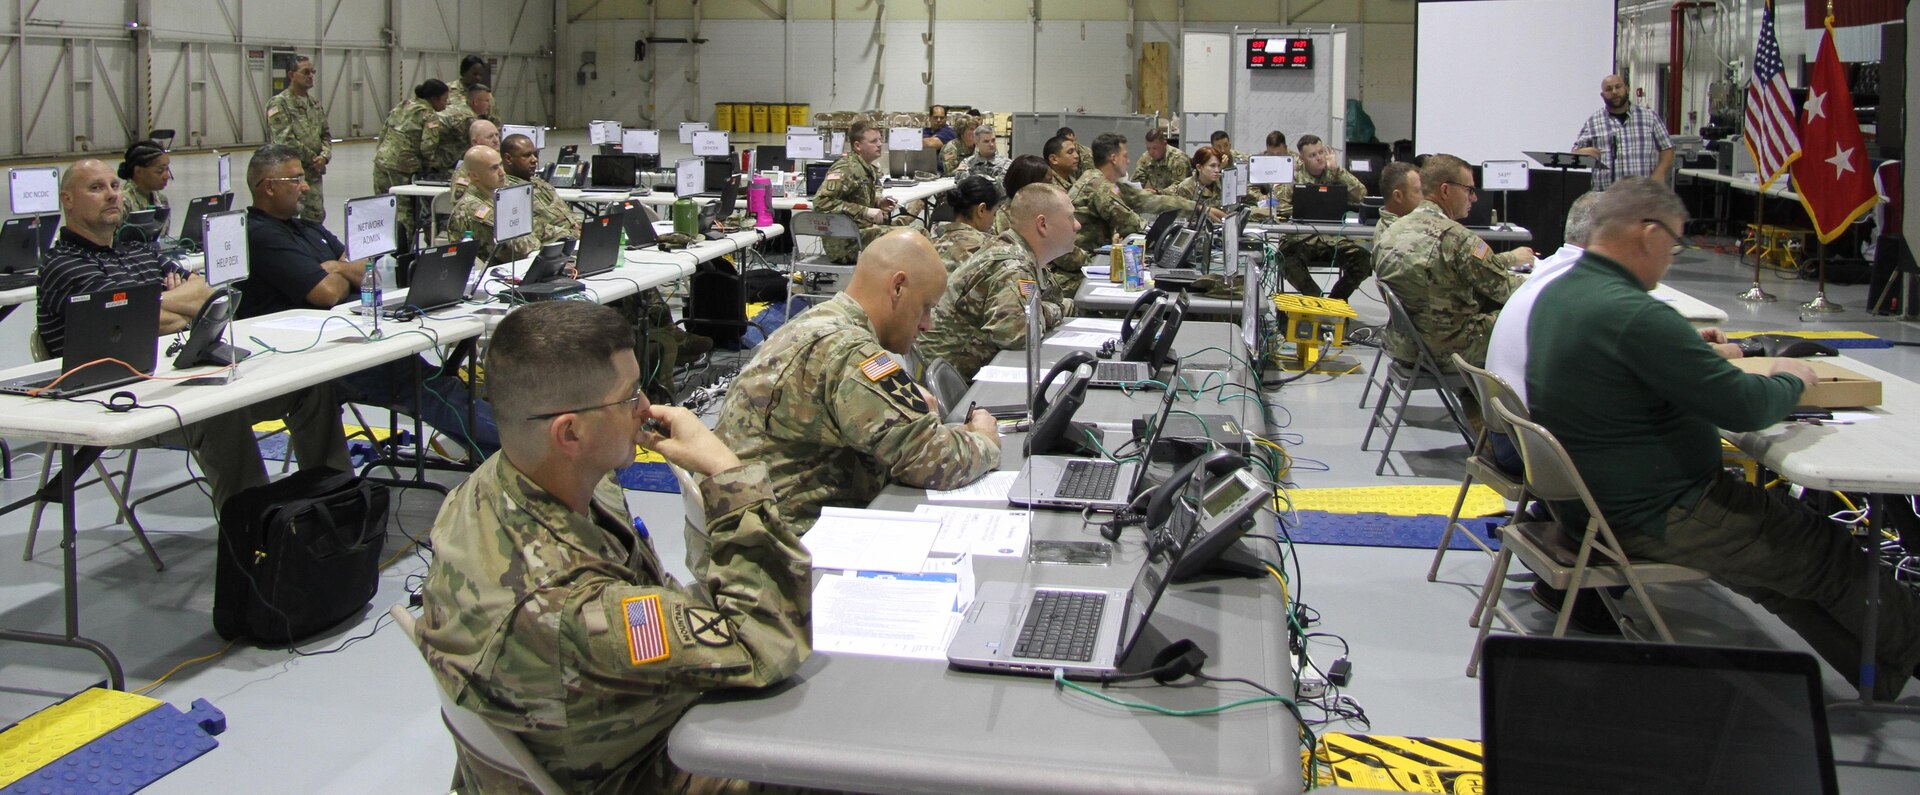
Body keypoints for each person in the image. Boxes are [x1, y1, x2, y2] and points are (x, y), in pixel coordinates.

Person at [1494, 177, 1920, 699]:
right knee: (1824, 549)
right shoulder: (1632, 313)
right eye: (1673, 245)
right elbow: (1742, 406)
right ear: (1648, 233)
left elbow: (1626, 365)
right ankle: (1907, 654)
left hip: (1594, 507)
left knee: (1779, 569)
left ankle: (1881, 671)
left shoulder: (1564, 293)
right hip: (1662, 513)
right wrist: (1792, 379)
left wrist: (1685, 352)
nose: (1672, 259)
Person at [417, 300, 811, 794]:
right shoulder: (572, 612)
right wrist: (728, 475)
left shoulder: (496, 485)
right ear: (571, 431)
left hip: (595, 739)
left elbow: (656, 596)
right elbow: (769, 643)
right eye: (628, 398)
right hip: (641, 770)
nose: (646, 408)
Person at [39, 159, 349, 513]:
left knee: (310, 387)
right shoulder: (62, 265)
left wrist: (152, 308)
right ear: (67, 200)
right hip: (115, 401)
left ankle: (339, 504)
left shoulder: (138, 250)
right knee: (221, 413)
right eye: (96, 188)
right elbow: (131, 321)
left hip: (174, 378)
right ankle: (254, 532)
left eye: (113, 186)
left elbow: (204, 294)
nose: (111, 195)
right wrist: (164, 307)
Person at [714, 230, 1001, 532]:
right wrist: (983, 438)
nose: (927, 325)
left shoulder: (821, 322)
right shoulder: (850, 351)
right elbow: (931, 459)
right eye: (926, 307)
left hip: (754, 522)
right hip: (785, 544)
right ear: (898, 287)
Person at [237, 144, 500, 460]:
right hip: (315, 359)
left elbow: (367, 269)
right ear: (268, 187)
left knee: (436, 383)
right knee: (429, 388)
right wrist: (341, 269)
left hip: (352, 336)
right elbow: (327, 293)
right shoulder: (260, 235)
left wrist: (338, 268)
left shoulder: (306, 229)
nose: (305, 187)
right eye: (295, 180)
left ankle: (509, 452)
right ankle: (521, 453)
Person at [1373, 154, 1525, 371]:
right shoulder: (1458, 238)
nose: (1474, 198)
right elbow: (1506, 290)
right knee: (1528, 317)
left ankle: (1473, 399)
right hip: (1447, 351)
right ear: (1445, 190)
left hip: (1403, 346)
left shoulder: (1391, 230)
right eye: (1469, 190)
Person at [918, 183, 1078, 379]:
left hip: (966, 371)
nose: (1077, 225)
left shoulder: (1018, 254)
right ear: (1042, 225)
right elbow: (1018, 334)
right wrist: (1054, 310)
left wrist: (1043, 309)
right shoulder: (1012, 266)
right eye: (1070, 217)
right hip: (957, 383)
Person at [1273, 134, 1371, 300]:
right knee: (1285, 258)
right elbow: (1281, 210)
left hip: (1333, 238)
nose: (1319, 158)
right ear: (1302, 159)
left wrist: (1337, 172)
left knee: (1363, 259)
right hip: (1301, 238)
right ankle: (1317, 301)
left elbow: (1362, 195)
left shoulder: (1335, 173)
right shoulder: (1292, 176)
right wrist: (1306, 210)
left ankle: (1336, 300)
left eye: (1321, 152)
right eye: (1312, 155)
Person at [373, 79, 450, 250]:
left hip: (381, 161)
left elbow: (384, 131)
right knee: (404, 212)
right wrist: (430, 166)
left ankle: (378, 246)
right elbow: (428, 146)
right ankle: (402, 250)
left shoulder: (403, 105)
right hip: (403, 167)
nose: (446, 104)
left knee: (381, 206)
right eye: (444, 100)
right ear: (434, 98)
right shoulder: (428, 114)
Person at [812, 118, 900, 264]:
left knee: (913, 237)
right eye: (873, 141)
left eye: (880, 140)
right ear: (858, 146)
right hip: (846, 243)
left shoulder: (866, 168)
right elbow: (821, 203)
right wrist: (865, 211)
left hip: (861, 234)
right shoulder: (846, 168)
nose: (879, 144)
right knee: (915, 236)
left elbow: (855, 199)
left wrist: (878, 203)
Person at [1572, 74, 1674, 191]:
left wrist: (1659, 174)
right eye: (1609, 89)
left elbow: (1667, 148)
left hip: (1642, 194)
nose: (1614, 92)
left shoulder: (1649, 117)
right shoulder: (1593, 121)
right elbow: (1575, 152)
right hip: (1605, 197)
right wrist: (1585, 152)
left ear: (1627, 88)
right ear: (1602, 95)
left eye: (1618, 87)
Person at [443, 146, 541, 264]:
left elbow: (532, 227)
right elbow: (521, 248)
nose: (502, 172)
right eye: (494, 168)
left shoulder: (499, 196)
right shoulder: (472, 207)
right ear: (474, 176)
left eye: (500, 165)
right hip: (488, 275)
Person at [265, 55, 332, 223]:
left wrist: (324, 156)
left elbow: (325, 134)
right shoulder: (279, 104)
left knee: (315, 216)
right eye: (306, 72)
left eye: (312, 72)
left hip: (314, 174)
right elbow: (285, 141)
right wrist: (313, 158)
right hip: (290, 175)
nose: (310, 76)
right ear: (291, 75)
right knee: (287, 218)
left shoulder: (314, 104)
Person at [931, 175, 1000, 271]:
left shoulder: (934, 246)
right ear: (981, 210)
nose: (993, 220)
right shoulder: (990, 250)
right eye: (994, 214)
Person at [423, 84, 491, 175]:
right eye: (487, 101)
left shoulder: (459, 107)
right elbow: (479, 145)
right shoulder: (467, 118)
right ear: (475, 102)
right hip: (431, 158)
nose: (489, 105)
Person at [989, 154, 1053, 236]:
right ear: (1030, 184)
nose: (1053, 186)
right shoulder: (1007, 217)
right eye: (1049, 181)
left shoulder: (1050, 207)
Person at [117, 140, 170, 215]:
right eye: (160, 171)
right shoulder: (121, 203)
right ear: (138, 172)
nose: (167, 176)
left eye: (167, 169)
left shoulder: (161, 200)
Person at [1130, 127, 1192, 192]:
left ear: (1164, 144)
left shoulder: (1178, 159)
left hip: (1177, 200)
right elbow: (1136, 182)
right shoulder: (1146, 158)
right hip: (1158, 198)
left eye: (1154, 148)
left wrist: (1159, 193)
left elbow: (1180, 187)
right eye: (1148, 148)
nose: (1151, 152)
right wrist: (1141, 191)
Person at [1373, 161, 1425, 234]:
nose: (1424, 197)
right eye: (1418, 191)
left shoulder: (1385, 223)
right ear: (1398, 196)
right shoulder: (1403, 234)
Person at [1166, 146, 1225, 211]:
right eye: (1212, 166)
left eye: (1218, 166)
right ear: (1199, 167)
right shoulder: (1186, 188)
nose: (1217, 170)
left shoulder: (1223, 182)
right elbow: (1185, 217)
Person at [954, 121, 1010, 186]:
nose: (991, 144)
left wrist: (975, 179)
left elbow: (1001, 187)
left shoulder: (1006, 164)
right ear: (976, 143)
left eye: (993, 140)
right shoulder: (967, 163)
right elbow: (960, 183)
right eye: (986, 141)